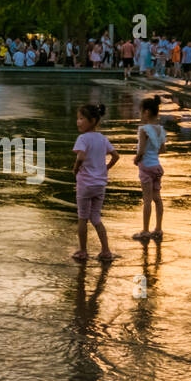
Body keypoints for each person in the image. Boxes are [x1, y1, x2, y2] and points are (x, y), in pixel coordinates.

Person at [72, 103, 119, 262]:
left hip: (85, 185)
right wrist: (105, 169)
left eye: (81, 118)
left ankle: (83, 251)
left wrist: (76, 168)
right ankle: (106, 250)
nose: (78, 122)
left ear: (92, 121)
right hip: (100, 185)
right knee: (96, 218)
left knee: (83, 218)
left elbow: (81, 156)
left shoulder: (83, 138)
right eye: (78, 118)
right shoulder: (102, 138)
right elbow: (115, 156)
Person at [132, 96, 166, 241]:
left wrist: (136, 159)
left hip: (146, 167)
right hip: (157, 167)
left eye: (140, 111)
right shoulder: (161, 129)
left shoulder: (143, 129)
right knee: (157, 199)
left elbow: (141, 151)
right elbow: (163, 149)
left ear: (146, 112)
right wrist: (153, 154)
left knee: (147, 200)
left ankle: (145, 230)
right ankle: (158, 228)